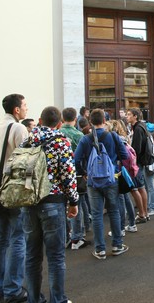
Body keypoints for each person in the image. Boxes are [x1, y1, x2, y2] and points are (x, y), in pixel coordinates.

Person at [20, 106, 79, 303]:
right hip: (53, 201)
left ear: (39, 120)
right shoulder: (61, 142)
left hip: (28, 201)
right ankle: (58, 299)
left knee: (32, 255)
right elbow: (68, 175)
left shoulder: (26, 140)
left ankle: (34, 299)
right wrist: (73, 201)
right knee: (56, 257)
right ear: (59, 123)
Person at [0, 93, 29, 303]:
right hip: (14, 188)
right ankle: (13, 290)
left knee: (1, 239)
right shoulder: (18, 128)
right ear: (17, 110)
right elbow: (28, 159)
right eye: (25, 106)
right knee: (18, 238)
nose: (27, 109)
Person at [74, 109, 129, 260]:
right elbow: (124, 155)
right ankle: (117, 245)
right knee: (114, 211)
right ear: (105, 121)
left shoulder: (85, 139)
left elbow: (76, 159)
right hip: (111, 178)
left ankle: (100, 249)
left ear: (90, 121)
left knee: (97, 214)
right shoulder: (112, 136)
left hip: (93, 181)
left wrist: (84, 172)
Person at [61, 107, 91, 250]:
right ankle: (77, 236)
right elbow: (84, 157)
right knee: (77, 204)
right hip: (76, 174)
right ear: (75, 119)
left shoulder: (57, 134)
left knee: (64, 206)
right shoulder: (79, 135)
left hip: (58, 176)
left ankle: (67, 235)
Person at [127, 107, 154, 220]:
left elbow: (136, 149)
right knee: (141, 187)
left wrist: (129, 146)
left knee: (138, 187)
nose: (127, 116)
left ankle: (143, 213)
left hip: (138, 162)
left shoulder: (138, 128)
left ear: (135, 116)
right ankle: (145, 213)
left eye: (129, 114)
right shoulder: (140, 127)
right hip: (141, 161)